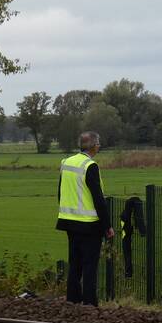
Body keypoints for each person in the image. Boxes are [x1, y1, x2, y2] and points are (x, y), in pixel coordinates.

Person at [56, 131, 114, 306]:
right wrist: (107, 226)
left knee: (75, 264)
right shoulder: (90, 166)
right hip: (89, 225)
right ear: (94, 146)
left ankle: (73, 298)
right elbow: (98, 198)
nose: (99, 146)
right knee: (90, 265)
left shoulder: (66, 163)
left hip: (68, 221)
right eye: (99, 144)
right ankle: (89, 302)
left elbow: (60, 192)